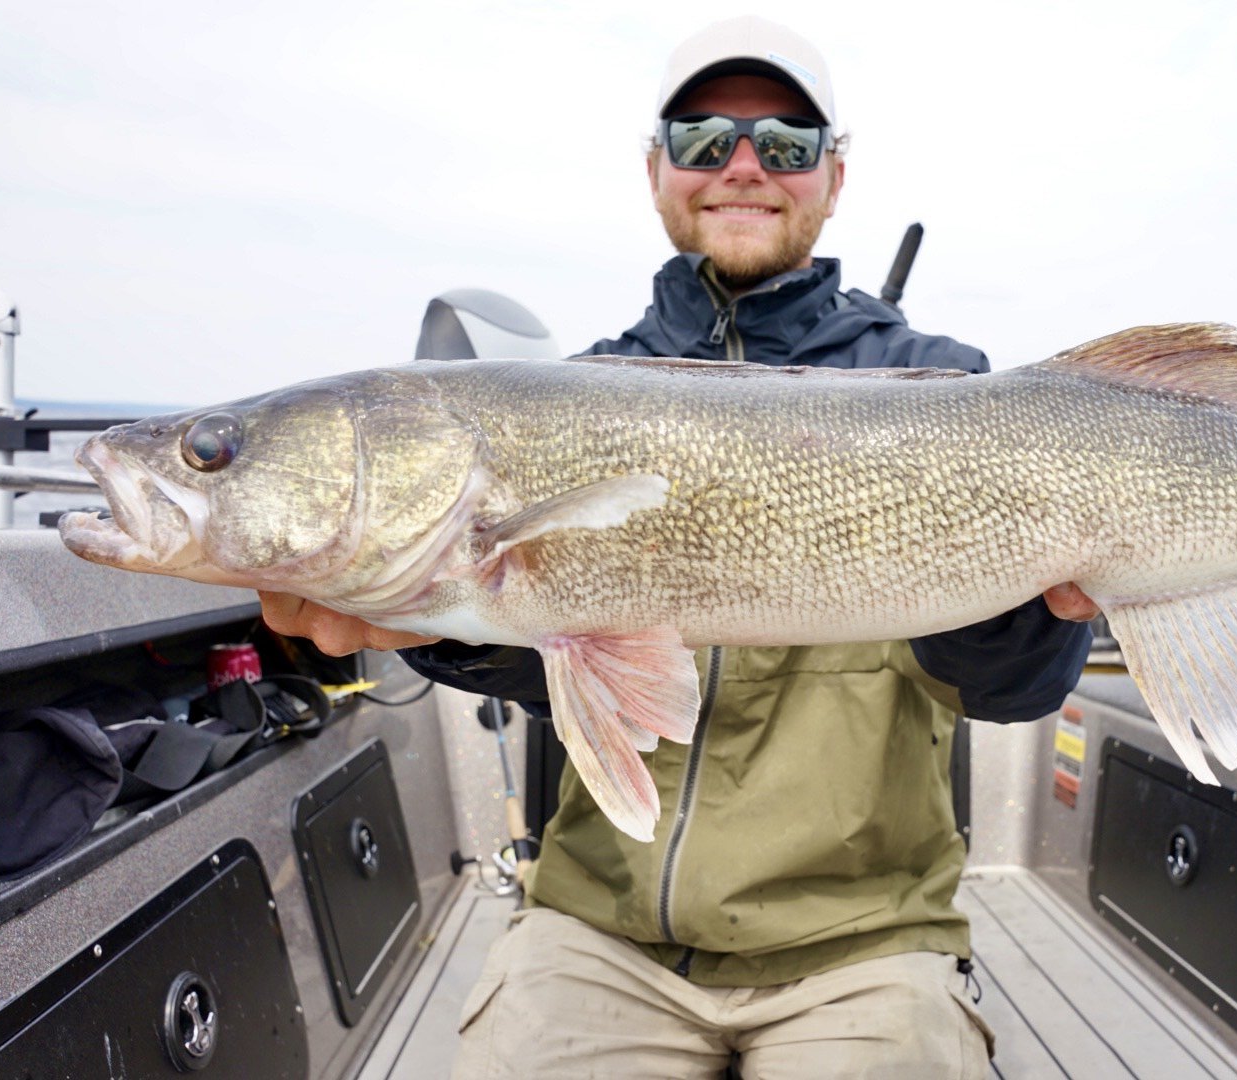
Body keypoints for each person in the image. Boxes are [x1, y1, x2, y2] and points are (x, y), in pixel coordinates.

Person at [261, 16, 1098, 1078]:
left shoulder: (951, 387)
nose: (743, 165)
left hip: (864, 948)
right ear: (654, 168)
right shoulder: (567, 394)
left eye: (786, 143)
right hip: (595, 933)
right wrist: (431, 619)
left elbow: (1014, 692)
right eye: (703, 138)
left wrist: (1022, 601)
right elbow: (549, 662)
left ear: (834, 176)